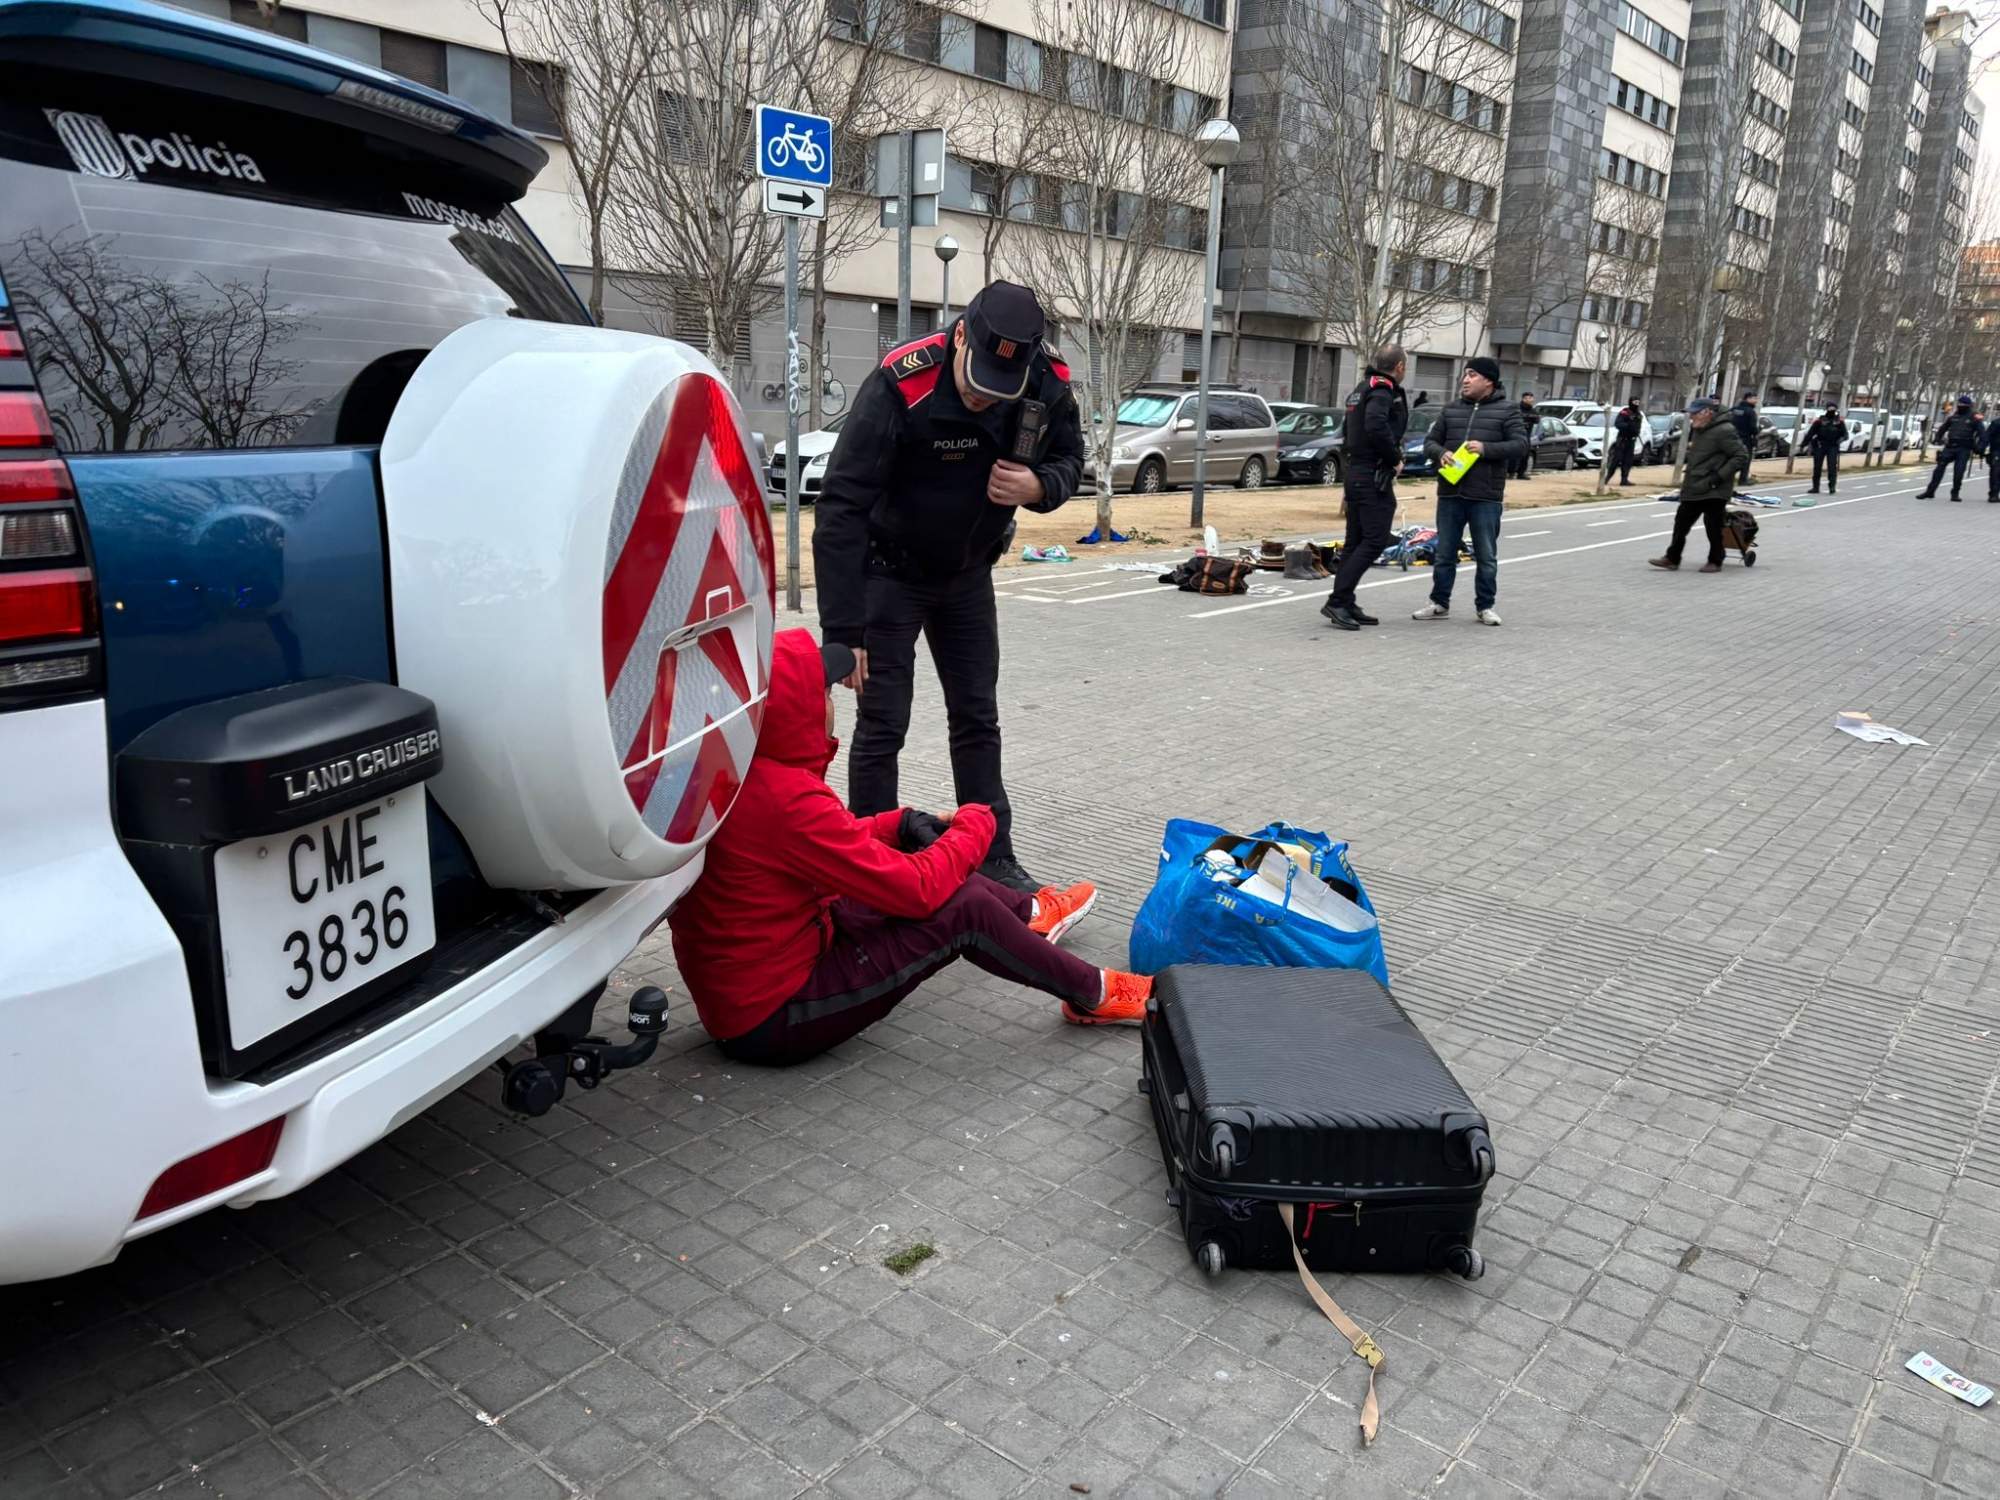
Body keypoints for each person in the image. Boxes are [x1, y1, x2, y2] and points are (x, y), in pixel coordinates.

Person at [669, 630, 1152, 1066]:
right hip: (772, 1019)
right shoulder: (784, 797)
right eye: (827, 691)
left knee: (915, 861)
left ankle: (1028, 914)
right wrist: (976, 825)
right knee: (958, 908)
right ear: (796, 709)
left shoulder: (744, 773)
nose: (836, 701)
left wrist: (898, 822)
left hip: (751, 986)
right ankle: (1094, 993)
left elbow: (830, 846)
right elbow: (916, 890)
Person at [815, 281, 1083, 893]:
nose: (984, 399)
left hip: (966, 576)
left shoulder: (1047, 381)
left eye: (999, 391)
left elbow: (1071, 460)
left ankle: (993, 856)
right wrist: (843, 631)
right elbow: (840, 507)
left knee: (977, 718)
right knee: (883, 725)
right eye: (976, 383)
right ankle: (869, 864)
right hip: (890, 573)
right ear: (959, 336)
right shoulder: (900, 385)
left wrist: (1040, 488)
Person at [1411, 357, 1527, 627]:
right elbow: (1429, 442)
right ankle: (1439, 603)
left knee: (1486, 555)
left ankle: (1485, 606)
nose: (1465, 380)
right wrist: (1441, 453)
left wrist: (1486, 449)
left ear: (1488, 380)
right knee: (1444, 554)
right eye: (1464, 375)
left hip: (1485, 496)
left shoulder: (1508, 411)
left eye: (1472, 375)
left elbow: (1521, 445)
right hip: (1450, 493)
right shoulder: (1451, 410)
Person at [1321, 344, 1409, 630]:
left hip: (1357, 471)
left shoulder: (1362, 388)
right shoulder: (1382, 391)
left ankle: (1345, 600)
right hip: (1371, 474)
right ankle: (1337, 601)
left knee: (1355, 542)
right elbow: (1375, 425)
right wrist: (1394, 458)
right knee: (1375, 539)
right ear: (1399, 367)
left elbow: (1350, 429)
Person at [1649, 398, 1745, 573]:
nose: (1691, 417)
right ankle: (1672, 558)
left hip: (1715, 488)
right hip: (1694, 485)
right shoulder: (1701, 429)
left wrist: (1718, 477)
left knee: (1713, 526)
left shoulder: (1725, 430)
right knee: (1681, 523)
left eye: (1694, 413)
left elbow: (1740, 456)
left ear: (1707, 412)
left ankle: (1715, 560)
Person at [1920, 395, 1983, 500]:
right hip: (1950, 447)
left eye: (1962, 405)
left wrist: (1980, 447)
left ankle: (1955, 494)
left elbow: (1982, 434)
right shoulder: (1954, 417)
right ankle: (1930, 491)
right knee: (1939, 469)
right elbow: (1943, 428)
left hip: (1964, 448)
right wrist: (1937, 438)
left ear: (1968, 406)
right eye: (1959, 404)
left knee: (1958, 472)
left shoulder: (1974, 418)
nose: (1960, 406)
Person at [1804, 404, 1848, 494]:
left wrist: (1840, 440)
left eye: (1833, 409)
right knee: (1817, 467)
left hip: (1833, 446)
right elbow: (1810, 433)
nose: (1831, 411)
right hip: (1820, 446)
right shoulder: (1820, 421)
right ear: (1826, 410)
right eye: (1829, 409)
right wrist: (1803, 445)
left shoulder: (1839, 422)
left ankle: (1832, 487)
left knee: (1832, 467)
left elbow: (1845, 435)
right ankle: (1815, 487)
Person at [1728, 392, 1759, 484]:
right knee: (1745, 459)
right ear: (1748, 399)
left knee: (1731, 458)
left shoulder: (1733, 409)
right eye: (1754, 398)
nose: (1756, 401)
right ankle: (1743, 479)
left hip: (1730, 438)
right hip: (1745, 439)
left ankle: (1728, 478)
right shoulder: (1750, 411)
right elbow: (1753, 427)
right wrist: (1757, 431)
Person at [1610, 401, 1643, 485]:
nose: (1636, 404)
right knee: (1616, 460)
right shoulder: (1625, 412)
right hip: (1622, 440)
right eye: (1634, 402)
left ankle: (1624, 480)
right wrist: (1628, 425)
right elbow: (1618, 424)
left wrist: (1636, 430)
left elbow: (1638, 426)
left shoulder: (1638, 414)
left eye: (1638, 402)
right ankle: (1607, 478)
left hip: (1631, 441)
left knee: (1627, 461)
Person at [1513, 391, 1539, 478]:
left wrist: (1529, 418)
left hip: (1527, 435)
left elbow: (1537, 420)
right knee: (1514, 454)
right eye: (1528, 398)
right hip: (1515, 434)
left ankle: (1521, 473)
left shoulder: (1533, 410)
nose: (1531, 400)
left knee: (1525, 454)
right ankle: (1511, 471)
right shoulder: (1517, 408)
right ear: (1524, 399)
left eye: (1532, 398)